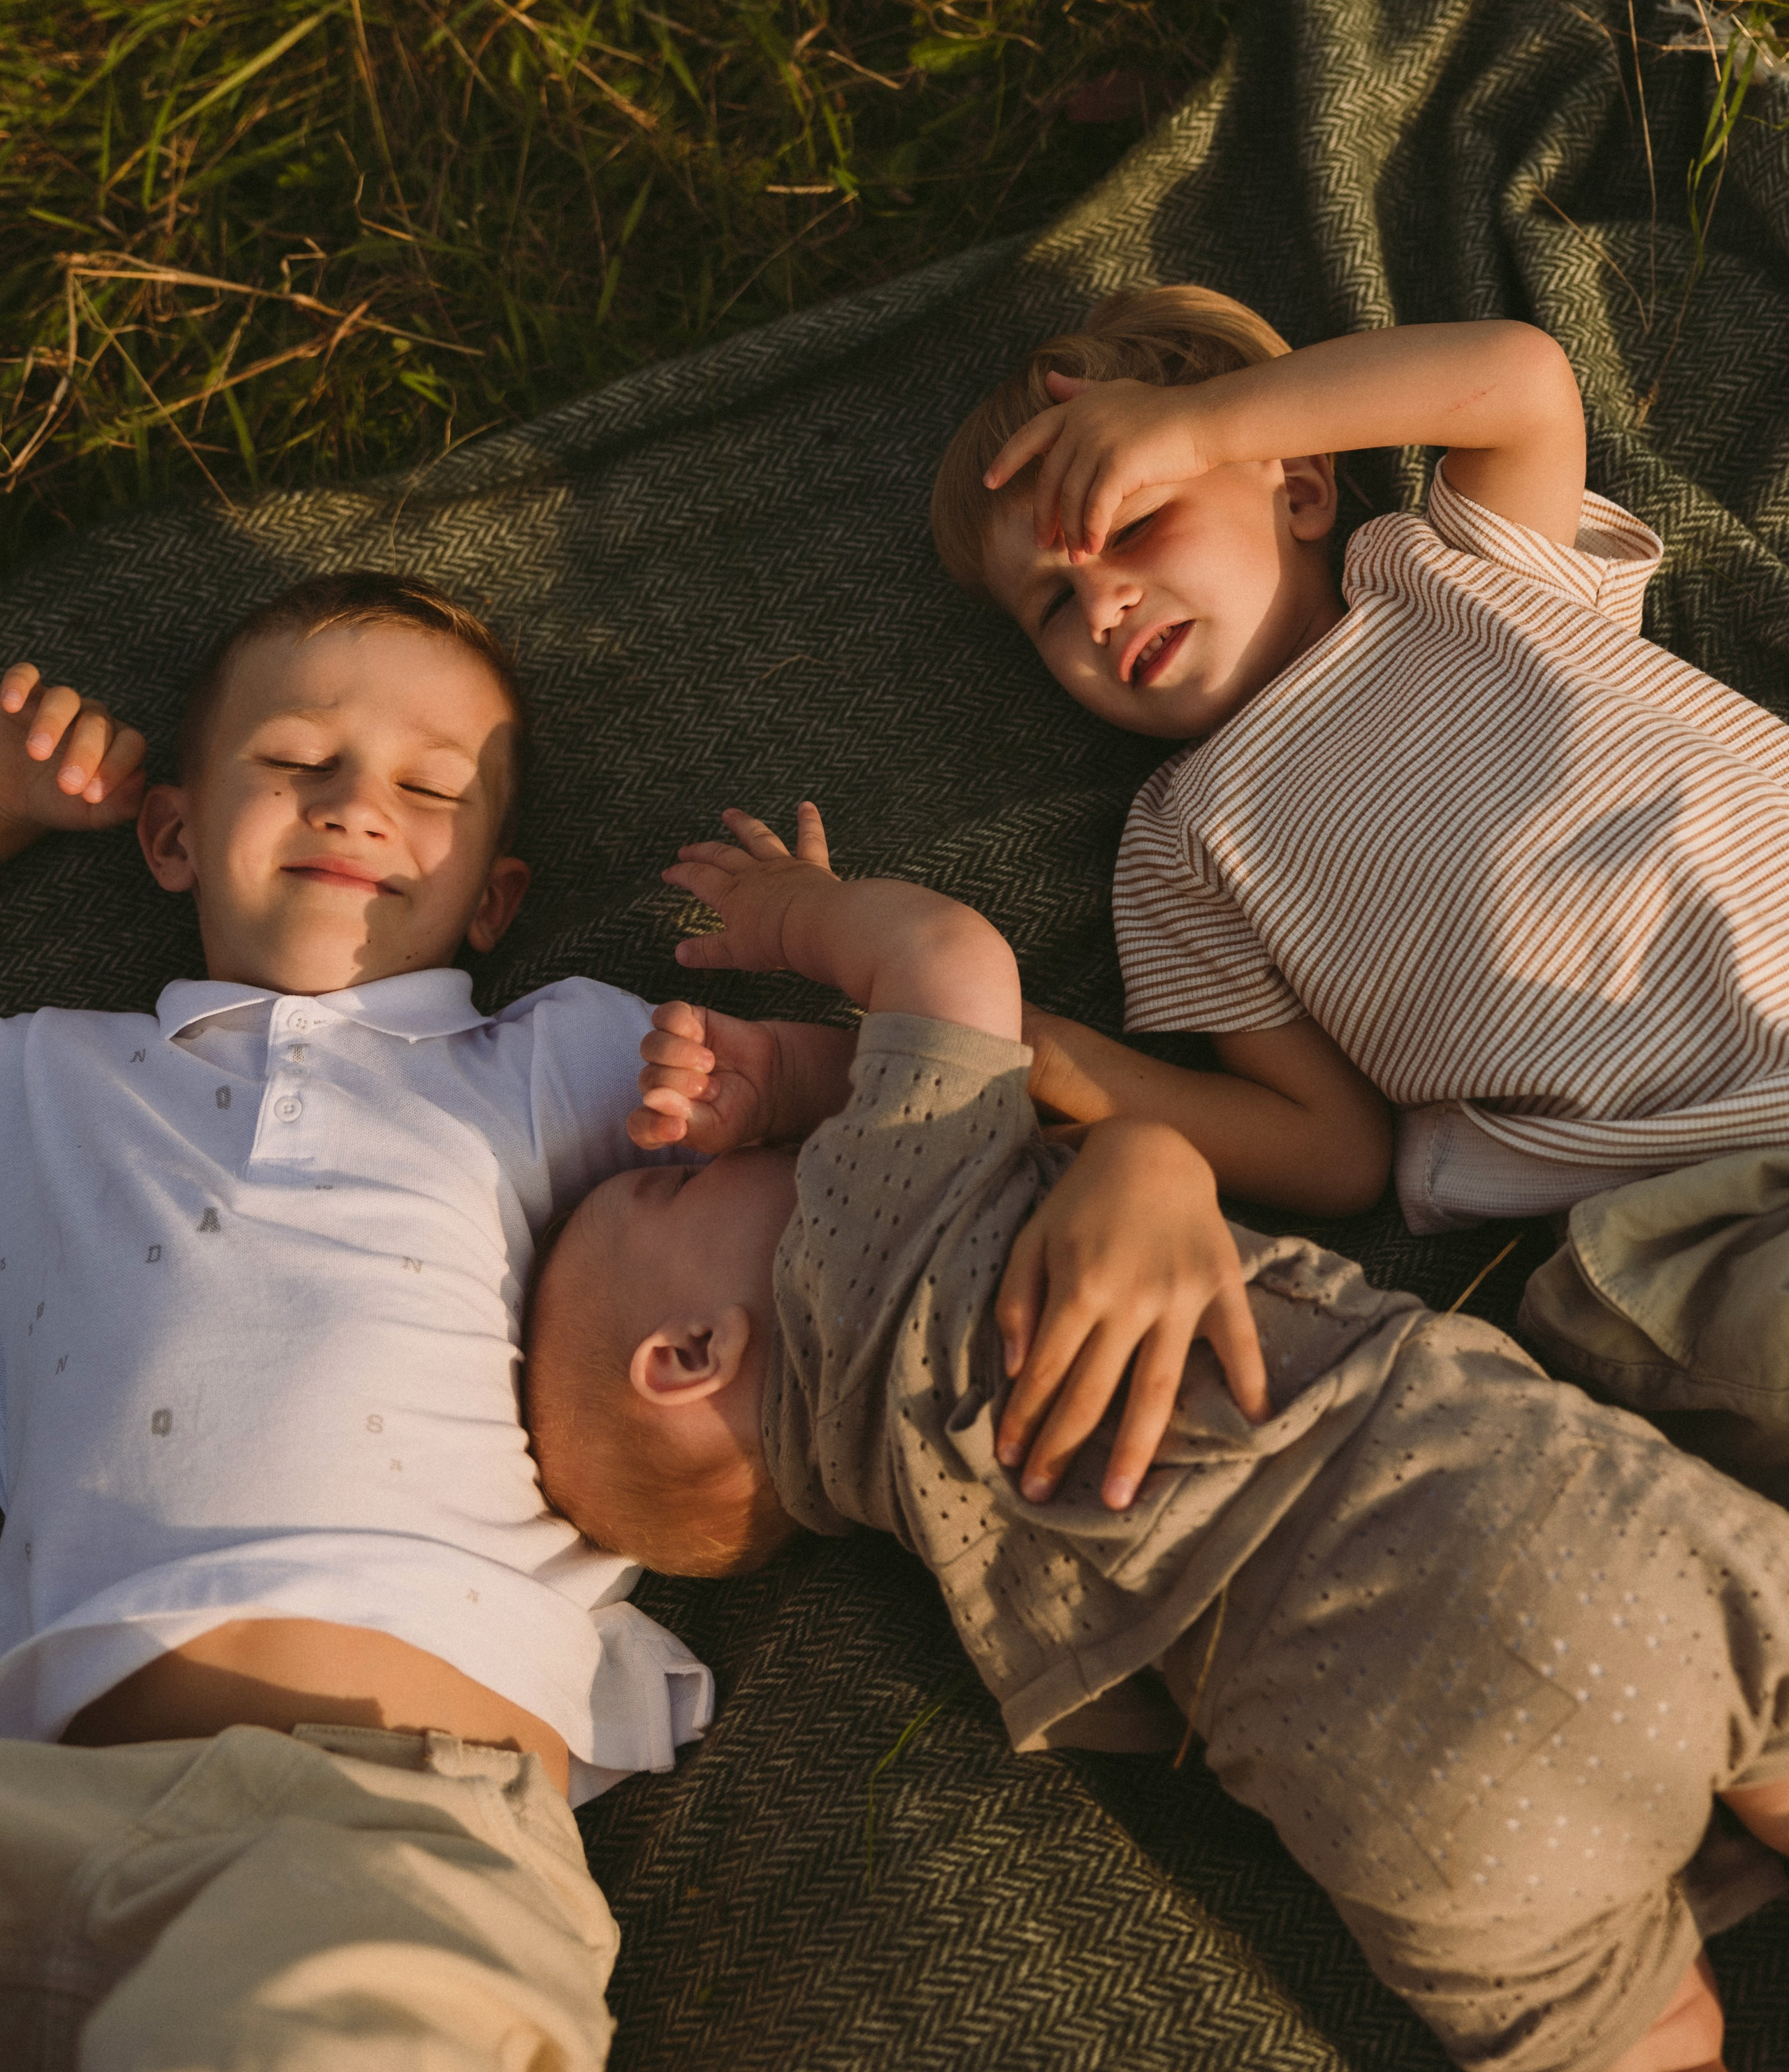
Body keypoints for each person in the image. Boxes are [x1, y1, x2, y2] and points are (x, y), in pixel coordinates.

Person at [0, 568, 1227, 2067]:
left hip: (378, 1818)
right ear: (174, 830)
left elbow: (919, 1137)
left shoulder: (553, 1057)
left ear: (495, 899)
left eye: (427, 788)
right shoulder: (44, 1081)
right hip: (42, 1795)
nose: (356, 807)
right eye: (297, 762)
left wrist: (1137, 1158)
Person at [526, 804, 1789, 2072]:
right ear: (691, 1354)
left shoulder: (902, 1511)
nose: (705, 1152)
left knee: (1649, 2038)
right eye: (669, 1182)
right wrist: (792, 915)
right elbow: (949, 961)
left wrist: (794, 1081)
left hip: (1383, 1773)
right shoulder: (858, 1235)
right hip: (1495, 1495)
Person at [925, 286, 1789, 1238]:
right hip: (1694, 1197)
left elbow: (1523, 382)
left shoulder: (1453, 575)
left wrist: (1204, 426)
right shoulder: (1178, 846)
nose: (1101, 608)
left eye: (1131, 526)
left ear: (1297, 488)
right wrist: (1031, 1045)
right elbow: (1332, 1152)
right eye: (1052, 606)